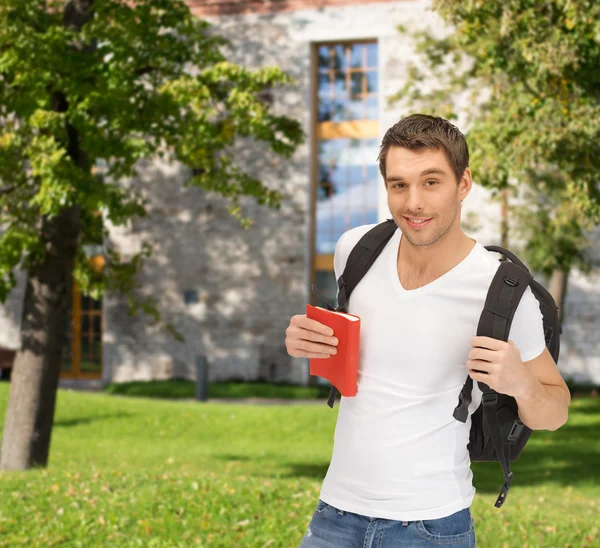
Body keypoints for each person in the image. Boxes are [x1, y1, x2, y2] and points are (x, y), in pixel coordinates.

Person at [285, 114, 570, 548]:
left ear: (464, 183)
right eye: (399, 185)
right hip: (334, 515)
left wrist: (521, 383)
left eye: (431, 182)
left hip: (430, 527)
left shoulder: (504, 292)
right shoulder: (357, 251)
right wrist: (305, 339)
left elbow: (557, 410)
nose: (413, 202)